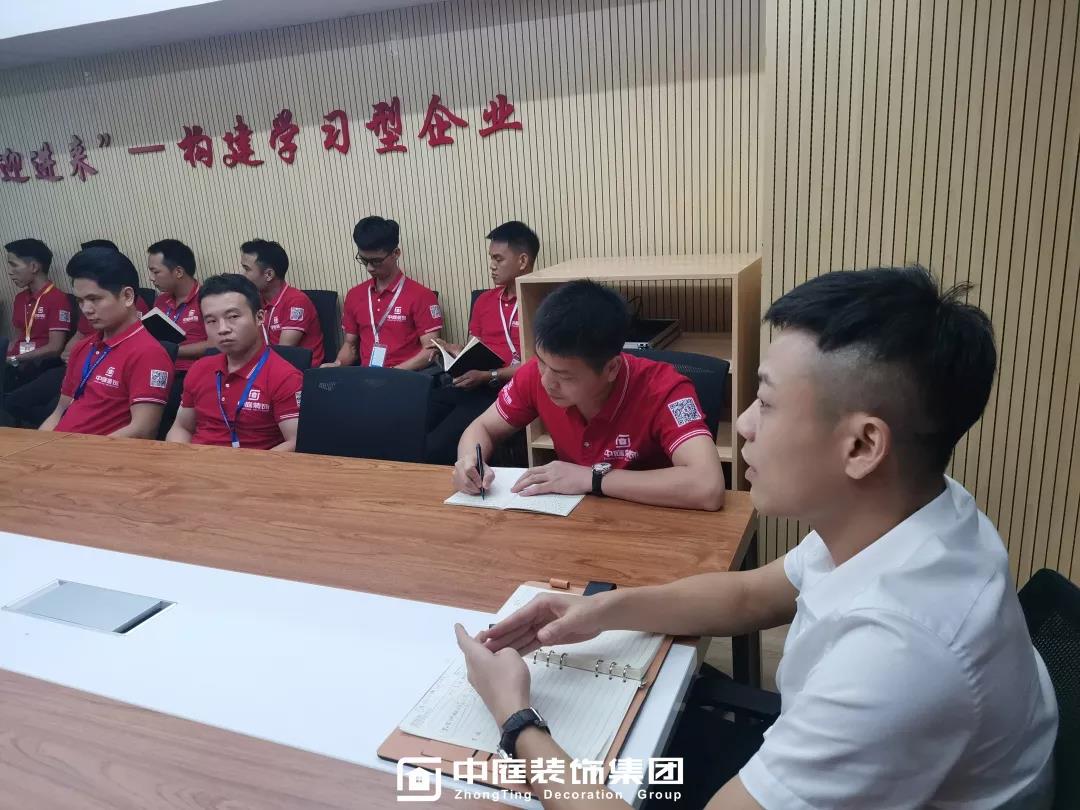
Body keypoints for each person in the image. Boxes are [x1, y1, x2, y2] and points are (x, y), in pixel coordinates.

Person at [455, 267, 1058, 809]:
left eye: (766, 403)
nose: (742, 424)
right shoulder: (908, 511)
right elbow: (750, 595)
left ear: (861, 446)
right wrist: (599, 610)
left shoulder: (898, 657)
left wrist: (516, 719)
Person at [452, 280, 726, 511]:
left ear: (611, 368)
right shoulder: (536, 374)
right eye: (542, 362)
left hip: (655, 524)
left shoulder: (664, 389)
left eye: (564, 376)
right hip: (578, 520)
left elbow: (707, 486)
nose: (547, 381)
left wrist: (593, 479)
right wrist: (469, 462)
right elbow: (482, 427)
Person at [426, 221, 539, 464]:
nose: (492, 265)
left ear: (522, 261)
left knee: (437, 446)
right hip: (475, 383)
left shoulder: (540, 303)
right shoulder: (485, 301)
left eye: (499, 259)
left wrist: (489, 375)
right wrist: (451, 350)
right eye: (491, 258)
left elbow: (538, 366)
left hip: (508, 389)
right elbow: (474, 349)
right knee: (418, 414)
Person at [39, 248, 173, 438]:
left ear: (127, 296)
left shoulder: (149, 353)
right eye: (80, 301)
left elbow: (142, 430)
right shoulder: (82, 348)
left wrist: (75, 451)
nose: (86, 309)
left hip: (98, 452)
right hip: (59, 447)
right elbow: (59, 412)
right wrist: (38, 445)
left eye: (94, 299)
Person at [166, 274, 302, 451]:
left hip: (255, 465)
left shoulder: (285, 377)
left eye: (233, 317)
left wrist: (248, 466)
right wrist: (180, 458)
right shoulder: (199, 369)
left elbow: (295, 441)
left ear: (259, 317)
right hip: (196, 461)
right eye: (211, 321)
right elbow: (182, 427)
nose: (222, 329)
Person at [324, 216, 442, 369]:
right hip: (366, 376)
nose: (370, 268)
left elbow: (431, 351)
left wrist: (393, 373)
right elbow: (350, 346)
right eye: (364, 260)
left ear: (396, 253)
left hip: (406, 375)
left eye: (376, 261)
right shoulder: (354, 295)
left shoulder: (422, 296)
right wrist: (337, 364)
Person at [1, 239, 73, 426]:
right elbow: (20, 337)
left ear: (33, 267)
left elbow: (55, 347)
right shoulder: (20, 299)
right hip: (16, 363)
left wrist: (15, 359)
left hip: (39, 365)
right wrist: (7, 354)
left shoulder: (57, 299)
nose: (10, 271)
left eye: (13, 265)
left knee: (11, 401)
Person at [239, 238, 324, 366]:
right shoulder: (254, 301)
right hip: (267, 366)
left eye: (247, 269)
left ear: (268, 274)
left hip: (298, 371)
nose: (243, 275)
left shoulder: (296, 302)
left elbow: (284, 353)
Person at [147, 239, 209, 376]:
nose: (151, 278)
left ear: (179, 272)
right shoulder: (161, 301)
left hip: (194, 372)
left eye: (155, 272)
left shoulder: (206, 299)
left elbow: (217, 344)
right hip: (161, 370)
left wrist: (174, 351)